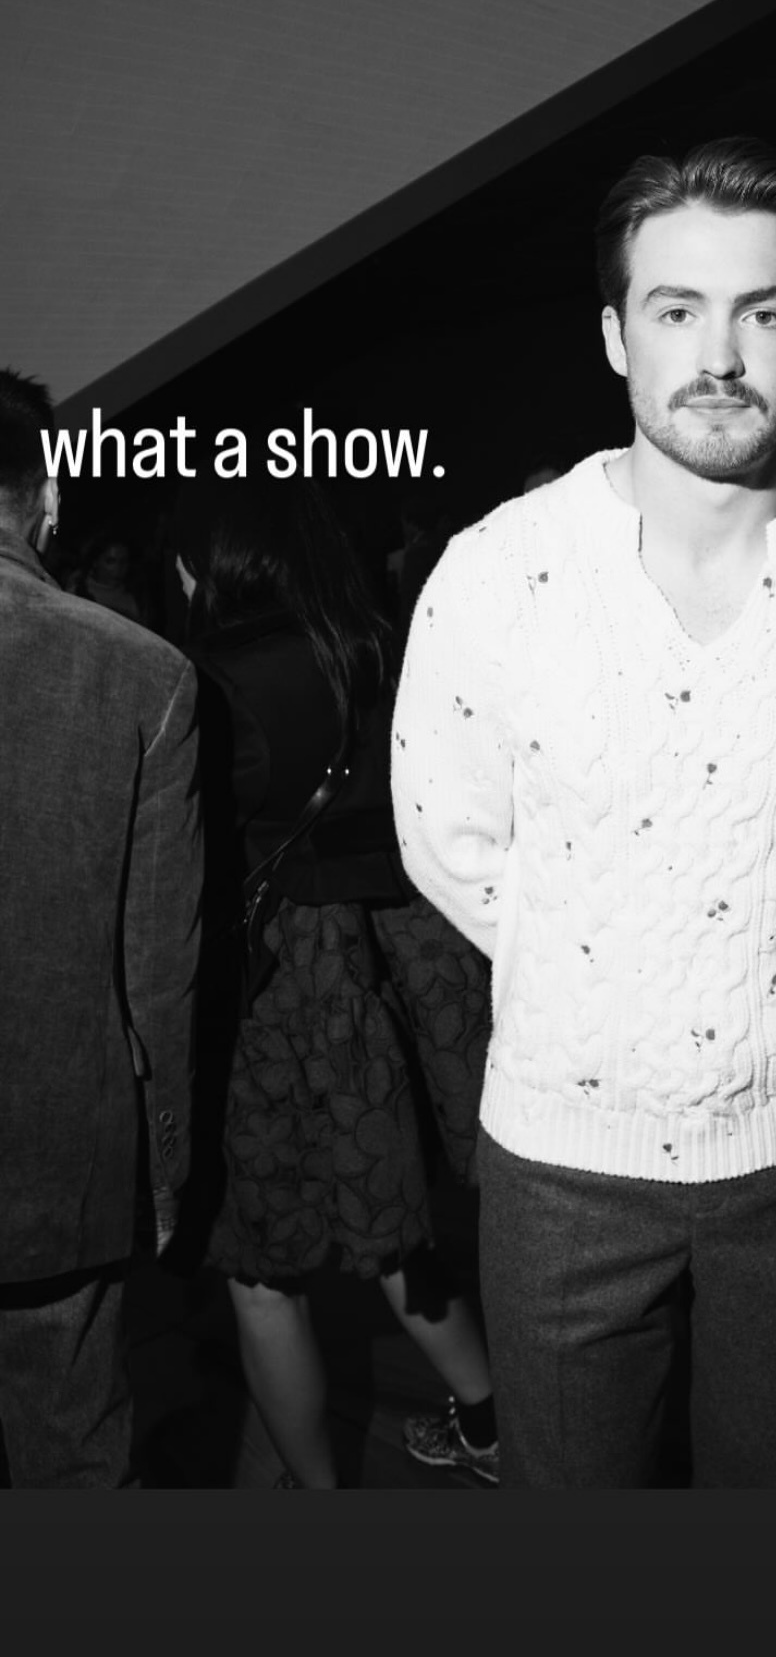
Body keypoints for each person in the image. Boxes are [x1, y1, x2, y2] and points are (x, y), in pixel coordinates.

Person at [392, 137, 776, 1489]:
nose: (718, 355)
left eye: (763, 311)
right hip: (558, 1164)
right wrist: (601, 963)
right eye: (675, 309)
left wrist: (762, 963)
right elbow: (449, 839)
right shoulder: (496, 575)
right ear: (615, 337)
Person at [173, 463, 496, 1489]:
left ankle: (318, 1498)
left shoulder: (212, 686)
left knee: (258, 1270)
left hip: (277, 995)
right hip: (387, 967)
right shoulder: (376, 649)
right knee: (391, 1216)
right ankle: (491, 1421)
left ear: (213, 564)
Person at [0, 369, 200, 1488]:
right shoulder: (143, 672)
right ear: (50, 497)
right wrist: (164, 1177)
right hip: (51, 1155)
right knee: (72, 1454)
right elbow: (156, 967)